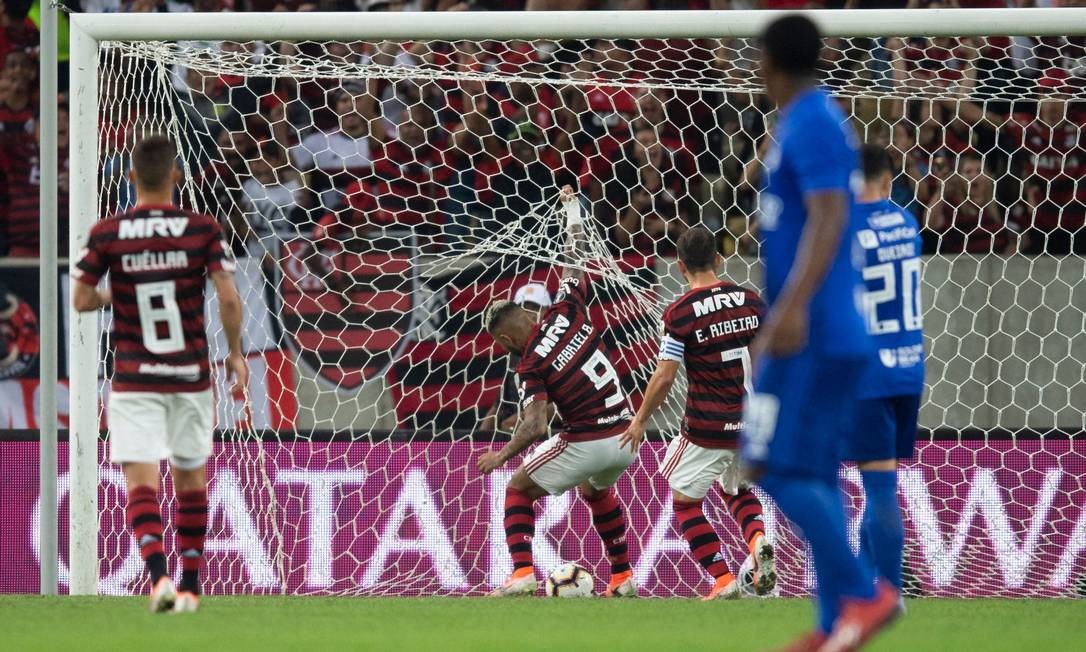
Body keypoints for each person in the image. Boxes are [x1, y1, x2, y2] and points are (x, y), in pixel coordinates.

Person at [740, 15, 900, 651]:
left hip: (812, 332)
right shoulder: (803, 121)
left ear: (769, 62)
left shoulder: (810, 122)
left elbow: (833, 215)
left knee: (767, 464)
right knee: (817, 473)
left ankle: (866, 594)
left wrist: (789, 311)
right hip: (820, 329)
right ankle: (836, 624)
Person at [72, 134, 248, 613]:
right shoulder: (202, 229)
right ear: (177, 176)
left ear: (130, 178)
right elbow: (229, 298)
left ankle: (159, 579)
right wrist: (233, 354)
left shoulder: (108, 232)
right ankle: (191, 587)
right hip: (189, 377)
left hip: (134, 378)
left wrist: (120, 292)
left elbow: (82, 299)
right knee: (191, 482)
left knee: (141, 483)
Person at [478, 186, 638, 598]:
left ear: (510, 338)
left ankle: (521, 572)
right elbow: (574, 260)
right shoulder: (566, 311)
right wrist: (573, 212)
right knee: (594, 490)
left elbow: (535, 426)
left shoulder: (529, 363)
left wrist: (500, 455)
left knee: (517, 487)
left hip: (590, 440)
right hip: (628, 434)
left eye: (501, 343)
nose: (504, 350)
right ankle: (622, 578)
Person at [619, 225, 776, 600]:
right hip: (752, 422)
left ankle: (722, 580)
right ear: (719, 259)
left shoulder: (680, 313)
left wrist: (640, 419)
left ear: (680, 267)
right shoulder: (751, 300)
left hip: (708, 424)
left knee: (685, 501)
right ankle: (757, 542)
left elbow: (665, 375)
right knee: (737, 488)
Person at [843, 144, 925, 603]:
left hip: (868, 373)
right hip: (909, 366)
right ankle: (861, 585)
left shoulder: (847, 228)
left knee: (877, 488)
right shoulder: (906, 223)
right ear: (889, 182)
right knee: (884, 484)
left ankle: (888, 596)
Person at [479, 283, 553, 434]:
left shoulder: (558, 347)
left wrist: (520, 419)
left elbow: (569, 401)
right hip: (518, 436)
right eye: (523, 308)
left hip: (553, 435)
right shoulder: (515, 354)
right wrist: (478, 439)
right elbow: (500, 405)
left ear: (548, 311)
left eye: (534, 307)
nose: (529, 314)